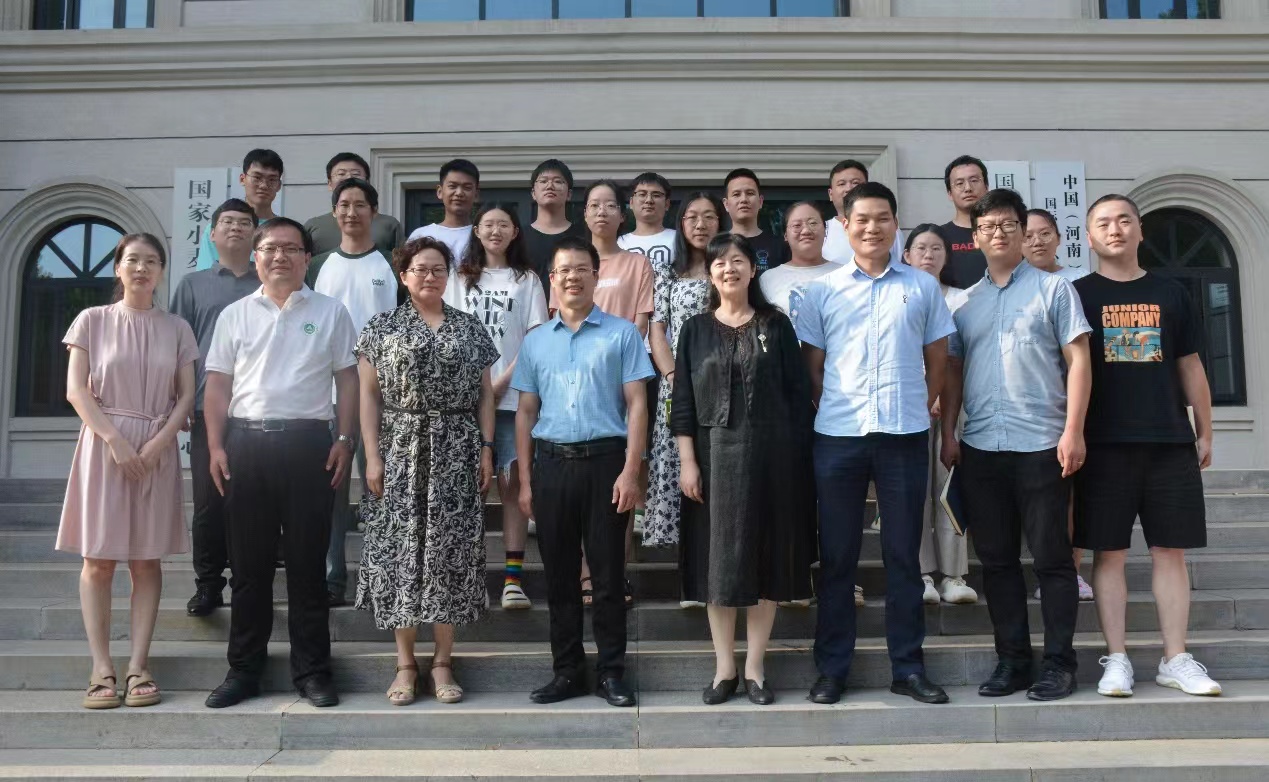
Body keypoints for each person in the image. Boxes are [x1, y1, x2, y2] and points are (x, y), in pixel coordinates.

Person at [798, 182, 954, 706]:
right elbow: (813, 369)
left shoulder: (922, 286)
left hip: (904, 436)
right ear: (845, 225)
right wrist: (832, 408)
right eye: (861, 219)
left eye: (882, 218)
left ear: (895, 224)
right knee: (837, 557)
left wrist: (918, 404)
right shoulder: (822, 291)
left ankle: (907, 668)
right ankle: (832, 669)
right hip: (838, 437)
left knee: (903, 556)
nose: (872, 228)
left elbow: (937, 360)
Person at [941, 188, 1092, 703]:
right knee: (998, 562)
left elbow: (1079, 361)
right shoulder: (966, 303)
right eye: (988, 226)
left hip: (1042, 445)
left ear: (1023, 232)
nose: (999, 233)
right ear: (975, 236)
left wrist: (1073, 431)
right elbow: (954, 372)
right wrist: (949, 434)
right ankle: (1013, 661)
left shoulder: (1054, 289)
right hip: (982, 448)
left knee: (1052, 560)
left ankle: (1059, 665)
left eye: (1008, 224)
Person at [202, 217, 358, 710]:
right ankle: (244, 670)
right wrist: (216, 446)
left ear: (307, 259)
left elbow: (348, 380)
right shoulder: (235, 315)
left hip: (310, 446)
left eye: (291, 249)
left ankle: (312, 672)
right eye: (270, 248)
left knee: (309, 567)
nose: (280, 257)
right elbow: (218, 385)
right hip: (247, 446)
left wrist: (345, 439)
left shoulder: (331, 312)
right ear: (256, 257)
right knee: (249, 568)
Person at [1075, 195, 1222, 698]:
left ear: (1141, 231)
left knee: (1170, 551)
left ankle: (1175, 658)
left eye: (1124, 220)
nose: (1115, 229)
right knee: (1109, 553)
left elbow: (1190, 364)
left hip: (1168, 440)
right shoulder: (1076, 295)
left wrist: (1205, 428)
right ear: (1089, 237)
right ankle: (1116, 658)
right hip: (1103, 443)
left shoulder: (1171, 292)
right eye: (1103, 223)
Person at [674, 234, 817, 706]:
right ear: (710, 273)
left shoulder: (776, 325)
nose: (729, 269)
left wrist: (796, 463)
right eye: (720, 263)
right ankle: (725, 669)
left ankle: (755, 667)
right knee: (716, 564)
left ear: (753, 270)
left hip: (772, 460)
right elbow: (683, 402)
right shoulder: (694, 330)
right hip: (712, 460)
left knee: (766, 559)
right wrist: (688, 462)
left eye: (738, 261)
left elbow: (798, 397)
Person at [512, 236, 654, 708]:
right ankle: (567, 671)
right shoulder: (536, 342)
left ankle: (612, 672)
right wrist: (527, 480)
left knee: (609, 577)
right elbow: (525, 412)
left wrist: (631, 471)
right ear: (552, 280)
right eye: (563, 270)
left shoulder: (622, 334)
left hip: (606, 464)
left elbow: (637, 405)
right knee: (559, 578)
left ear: (596, 276)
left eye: (581, 269)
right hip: (552, 466)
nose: (572, 277)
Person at [357, 236, 498, 706]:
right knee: (400, 552)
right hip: (400, 446)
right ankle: (404, 663)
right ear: (404, 276)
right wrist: (372, 456)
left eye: (438, 269)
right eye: (420, 269)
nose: (430, 276)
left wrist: (486, 448)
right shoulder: (381, 327)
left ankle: (442, 661)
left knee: (448, 551)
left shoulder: (469, 327)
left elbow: (485, 394)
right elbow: (369, 397)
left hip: (458, 446)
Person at [60, 233, 198, 709]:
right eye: (133, 260)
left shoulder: (177, 328)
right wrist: (115, 441)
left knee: (146, 560)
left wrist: (159, 443)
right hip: (104, 446)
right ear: (118, 267)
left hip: (157, 449)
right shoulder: (92, 320)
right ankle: (101, 667)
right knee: (98, 560)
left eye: (152, 261)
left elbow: (186, 395)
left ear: (162, 271)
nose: (142, 268)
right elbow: (76, 390)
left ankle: (139, 665)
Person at [548, 180, 654, 607]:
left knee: (621, 488)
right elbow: (558, 321)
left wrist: (612, 362)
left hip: (623, 378)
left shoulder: (637, 264)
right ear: (585, 213)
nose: (602, 212)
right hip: (574, 386)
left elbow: (641, 322)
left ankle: (614, 573)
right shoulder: (568, 263)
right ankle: (584, 575)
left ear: (621, 214)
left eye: (610, 205)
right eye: (594, 205)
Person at [444, 204, 548, 610]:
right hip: (462, 402)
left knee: (513, 487)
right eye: (488, 224)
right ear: (476, 230)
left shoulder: (527, 279)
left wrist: (499, 383)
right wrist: (476, 386)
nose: (495, 230)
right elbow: (447, 331)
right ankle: (465, 578)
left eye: (504, 224)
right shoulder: (458, 278)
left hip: (512, 399)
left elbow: (536, 338)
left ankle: (512, 580)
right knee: (465, 488)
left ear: (515, 232)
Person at [306, 178, 402, 607]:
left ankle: (384, 578)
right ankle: (332, 577)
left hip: (386, 396)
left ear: (374, 212)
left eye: (360, 204)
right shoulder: (317, 266)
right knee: (331, 490)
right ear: (334, 212)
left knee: (381, 487)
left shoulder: (393, 265)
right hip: (327, 395)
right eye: (343, 204)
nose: (351, 212)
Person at [759, 201, 856, 610]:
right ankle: (795, 576)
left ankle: (843, 578)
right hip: (783, 400)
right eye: (796, 225)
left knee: (836, 493)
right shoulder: (767, 280)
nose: (805, 230)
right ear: (785, 235)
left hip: (840, 395)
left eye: (813, 223)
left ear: (826, 230)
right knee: (792, 491)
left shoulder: (846, 273)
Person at [171, 199, 260, 617]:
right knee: (208, 502)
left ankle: (248, 581)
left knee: (253, 501)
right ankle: (208, 584)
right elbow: (176, 349)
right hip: (208, 409)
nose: (236, 228)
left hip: (258, 409)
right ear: (211, 233)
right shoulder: (192, 285)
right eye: (227, 222)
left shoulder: (268, 282)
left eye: (244, 222)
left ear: (256, 233)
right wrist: (180, 400)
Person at [900, 224, 977, 606]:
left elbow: (959, 362)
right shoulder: (896, 295)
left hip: (952, 409)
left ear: (947, 256)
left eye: (935, 248)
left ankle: (954, 574)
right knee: (914, 492)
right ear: (906, 255)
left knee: (949, 488)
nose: (928, 255)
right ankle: (921, 574)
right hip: (906, 410)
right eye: (920, 248)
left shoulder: (963, 300)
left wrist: (944, 402)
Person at [642, 193, 719, 560]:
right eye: (692, 217)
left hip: (723, 384)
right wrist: (673, 375)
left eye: (709, 217)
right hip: (677, 385)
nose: (700, 225)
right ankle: (686, 562)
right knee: (678, 465)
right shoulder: (667, 272)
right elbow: (657, 330)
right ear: (681, 224)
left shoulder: (729, 266)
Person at [1024, 208, 1095, 602]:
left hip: (1080, 402)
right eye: (1028, 235)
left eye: (1045, 233)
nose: (1037, 241)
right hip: (1037, 407)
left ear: (1059, 238)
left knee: (1073, 492)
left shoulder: (1080, 282)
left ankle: (1073, 570)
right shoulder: (1014, 285)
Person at [304, 152, 404, 258]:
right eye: (341, 174)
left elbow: (402, 261)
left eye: (356, 174)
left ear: (367, 181)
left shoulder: (389, 225)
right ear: (329, 183)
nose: (349, 178)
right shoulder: (313, 226)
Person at [196, 149, 284, 270]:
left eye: (272, 179)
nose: (263, 185)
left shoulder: (285, 231)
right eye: (257, 177)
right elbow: (206, 275)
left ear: (279, 185)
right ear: (242, 179)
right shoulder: (221, 228)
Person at [822, 159, 903, 266]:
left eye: (855, 182)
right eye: (841, 184)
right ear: (830, 194)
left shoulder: (890, 228)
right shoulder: (822, 230)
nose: (848, 188)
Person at [523, 159, 586, 292]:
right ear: (533, 193)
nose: (550, 186)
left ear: (569, 194)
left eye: (557, 181)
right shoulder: (518, 237)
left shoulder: (584, 237)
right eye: (543, 181)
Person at [407, 158, 479, 263]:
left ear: (476, 194)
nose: (459, 193)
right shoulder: (421, 235)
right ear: (440, 191)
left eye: (467, 187)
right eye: (452, 186)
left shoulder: (484, 236)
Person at [722, 168, 788, 272]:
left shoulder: (780, 246)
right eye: (736, 194)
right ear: (726, 204)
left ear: (760, 201)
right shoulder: (717, 246)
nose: (744, 199)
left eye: (750, 193)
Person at [940, 155, 990, 289]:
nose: (968, 188)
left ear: (986, 187)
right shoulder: (938, 237)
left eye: (974, 180)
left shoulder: (1003, 233)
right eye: (959, 183)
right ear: (950, 193)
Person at [618, 171, 676, 271]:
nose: (649, 200)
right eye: (642, 194)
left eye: (656, 195)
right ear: (631, 203)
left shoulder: (679, 239)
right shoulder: (619, 243)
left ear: (667, 204)